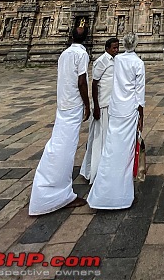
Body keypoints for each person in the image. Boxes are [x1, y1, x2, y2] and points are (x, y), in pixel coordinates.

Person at [29, 25, 90, 215]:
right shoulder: (82, 55)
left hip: (63, 103)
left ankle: (54, 189)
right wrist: (87, 104)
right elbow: (81, 81)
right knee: (66, 147)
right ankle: (58, 194)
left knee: (60, 143)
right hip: (73, 105)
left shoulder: (64, 54)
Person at [87, 33, 145, 211]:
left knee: (111, 149)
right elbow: (139, 92)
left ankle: (102, 194)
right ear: (135, 45)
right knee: (127, 152)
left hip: (115, 109)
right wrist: (141, 115)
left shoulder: (117, 60)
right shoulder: (138, 63)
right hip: (129, 110)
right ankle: (122, 196)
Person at [80, 37, 119, 183]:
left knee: (108, 138)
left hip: (111, 104)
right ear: (107, 48)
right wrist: (95, 106)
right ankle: (93, 170)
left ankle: (107, 168)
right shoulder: (101, 61)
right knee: (98, 139)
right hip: (101, 105)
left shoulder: (116, 60)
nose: (116, 50)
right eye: (114, 48)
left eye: (117, 47)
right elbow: (95, 84)